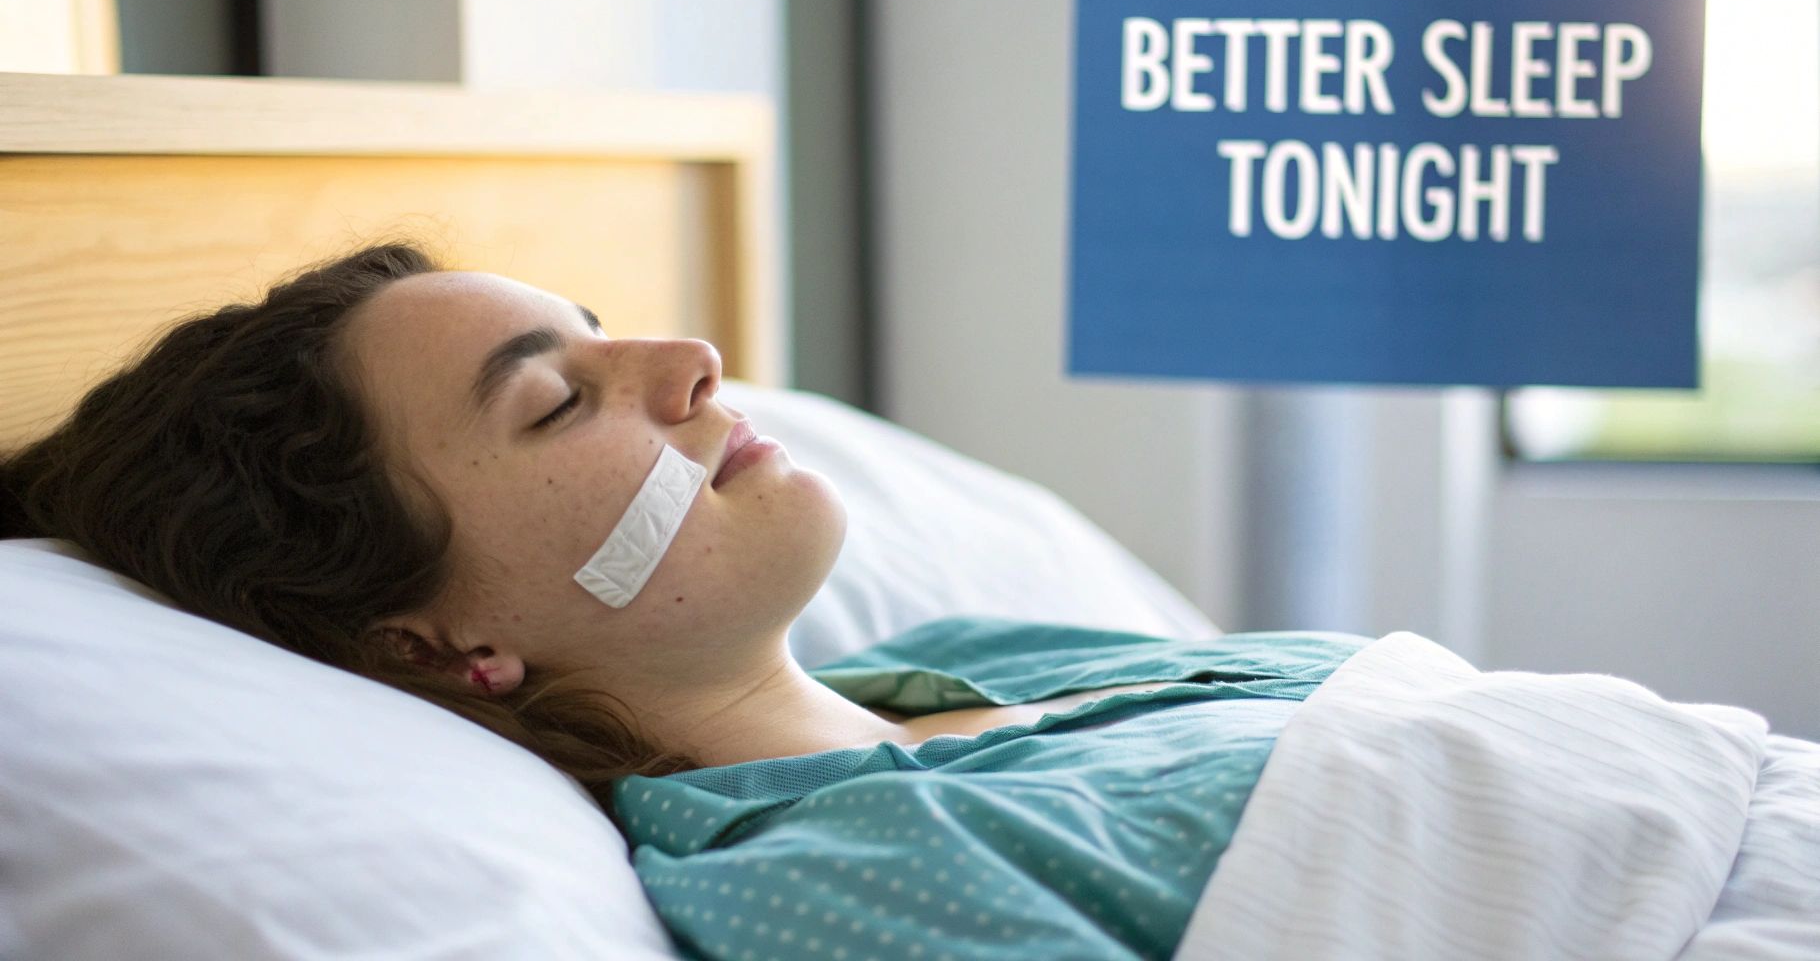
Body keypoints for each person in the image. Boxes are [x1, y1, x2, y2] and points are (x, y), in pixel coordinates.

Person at [0, 241, 1371, 959]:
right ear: (439, 642)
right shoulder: (822, 883)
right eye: (557, 399)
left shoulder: (978, 658)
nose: (697, 361)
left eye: (607, 329)